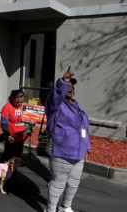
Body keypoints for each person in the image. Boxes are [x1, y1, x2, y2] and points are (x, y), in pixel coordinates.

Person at [44, 66, 91, 212]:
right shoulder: (55, 105)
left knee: (74, 183)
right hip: (61, 150)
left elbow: (84, 128)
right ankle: (50, 209)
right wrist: (63, 82)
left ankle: (65, 206)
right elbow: (56, 95)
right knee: (58, 183)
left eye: (71, 86)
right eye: (67, 86)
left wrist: (87, 146)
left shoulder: (76, 105)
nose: (70, 87)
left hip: (78, 152)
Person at [0, 89, 31, 162]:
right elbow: (3, 123)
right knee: (7, 157)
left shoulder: (24, 106)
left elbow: (27, 118)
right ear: (12, 98)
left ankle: (12, 173)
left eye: (21, 102)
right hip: (11, 138)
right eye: (17, 102)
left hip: (21, 137)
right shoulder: (7, 107)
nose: (20, 104)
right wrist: (8, 135)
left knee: (16, 159)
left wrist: (30, 121)